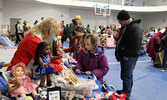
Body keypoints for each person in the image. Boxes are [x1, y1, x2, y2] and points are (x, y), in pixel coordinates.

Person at [115, 10, 142, 100]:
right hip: (125, 56)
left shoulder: (135, 28)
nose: (120, 23)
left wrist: (127, 55)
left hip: (129, 57)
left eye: (120, 21)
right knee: (125, 74)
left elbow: (135, 44)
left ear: (126, 19)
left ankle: (127, 94)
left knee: (127, 75)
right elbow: (121, 40)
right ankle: (125, 90)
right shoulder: (126, 26)